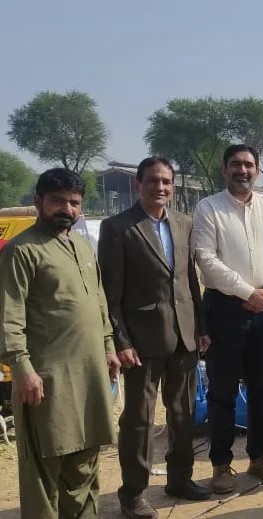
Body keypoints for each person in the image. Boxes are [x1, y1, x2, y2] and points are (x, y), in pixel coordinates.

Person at [0, 168, 121, 519]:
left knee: (85, 459)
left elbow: (98, 302)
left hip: (90, 373)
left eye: (74, 202)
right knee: (45, 466)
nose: (66, 209)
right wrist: (21, 368)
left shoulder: (82, 245)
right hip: (46, 378)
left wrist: (109, 346)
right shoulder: (21, 251)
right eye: (57, 201)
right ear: (38, 201)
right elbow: (8, 316)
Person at [99, 157, 213, 518]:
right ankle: (133, 492)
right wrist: (121, 341)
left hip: (184, 337)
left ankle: (180, 479)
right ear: (138, 184)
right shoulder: (118, 228)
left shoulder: (184, 223)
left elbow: (190, 281)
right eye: (152, 181)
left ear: (173, 187)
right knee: (139, 420)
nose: (159, 187)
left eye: (166, 182)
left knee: (184, 415)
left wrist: (201, 327)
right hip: (141, 342)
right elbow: (111, 293)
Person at [191, 144, 263, 494]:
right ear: (224, 170)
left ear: (257, 169)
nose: (243, 170)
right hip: (225, 309)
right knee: (222, 389)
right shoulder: (208, 208)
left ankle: (259, 456)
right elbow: (205, 258)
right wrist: (245, 292)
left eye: (249, 165)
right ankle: (221, 464)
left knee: (262, 387)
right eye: (236, 164)